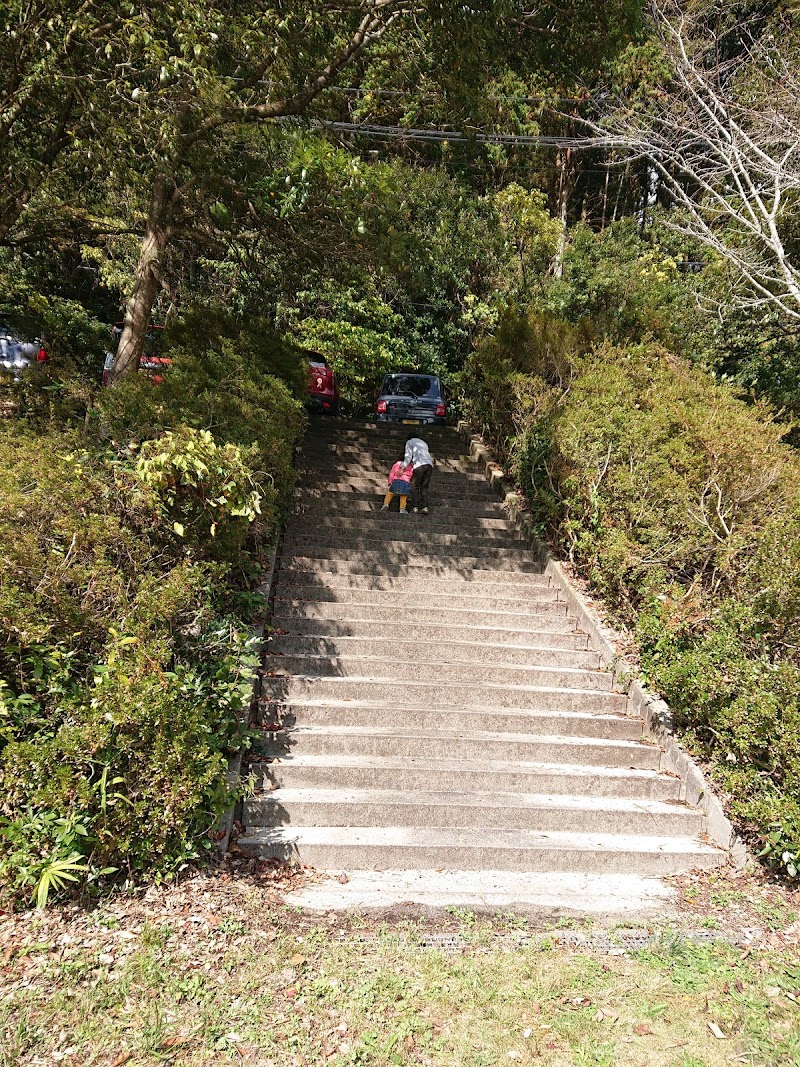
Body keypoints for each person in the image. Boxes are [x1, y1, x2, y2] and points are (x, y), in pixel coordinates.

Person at [403, 434, 434, 514]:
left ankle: (415, 506)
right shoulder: (424, 443)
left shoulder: (410, 442)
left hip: (419, 464)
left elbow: (408, 456)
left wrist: (402, 467)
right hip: (429, 465)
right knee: (424, 487)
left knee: (414, 485)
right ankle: (425, 507)